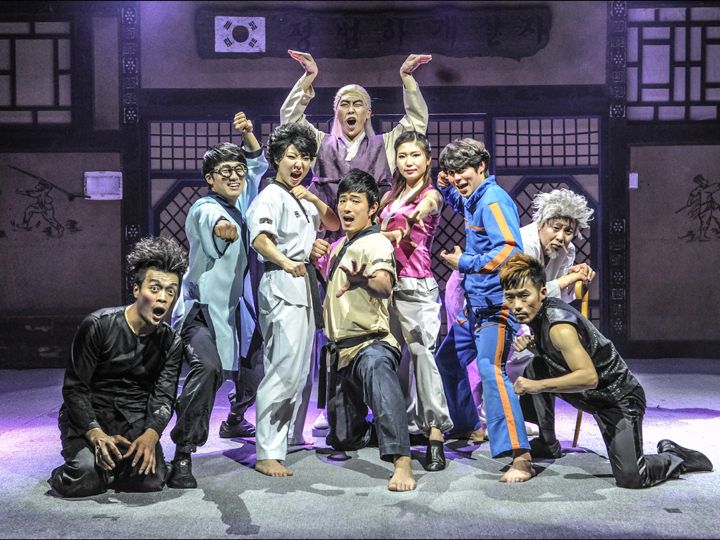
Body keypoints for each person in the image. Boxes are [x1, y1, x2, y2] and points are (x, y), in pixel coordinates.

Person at [500, 252, 714, 488]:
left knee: (633, 477)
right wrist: (536, 349)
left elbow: (589, 377)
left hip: (617, 398)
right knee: (535, 367)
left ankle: (675, 455)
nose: (517, 305)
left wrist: (537, 386)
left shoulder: (559, 327)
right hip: (587, 395)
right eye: (510, 297)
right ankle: (547, 443)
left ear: (542, 292)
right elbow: (561, 360)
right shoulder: (537, 316)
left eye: (524, 296)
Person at [440, 188, 597, 454]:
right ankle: (476, 423)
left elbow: (548, 296)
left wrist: (574, 279)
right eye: (555, 228)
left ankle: (487, 424)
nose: (561, 237)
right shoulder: (524, 243)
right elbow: (525, 291)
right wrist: (566, 280)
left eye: (568, 231)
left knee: (505, 357)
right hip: (473, 292)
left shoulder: (565, 251)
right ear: (541, 223)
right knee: (475, 359)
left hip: (509, 303)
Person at [167, 114, 269, 489]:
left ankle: (235, 419)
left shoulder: (243, 199)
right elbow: (210, 219)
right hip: (203, 312)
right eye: (225, 171)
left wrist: (248, 135)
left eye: (237, 170)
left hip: (238, 311)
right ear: (210, 178)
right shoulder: (204, 208)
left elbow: (256, 164)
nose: (235, 176)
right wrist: (221, 227)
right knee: (208, 370)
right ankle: (183, 453)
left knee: (255, 374)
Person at [49, 236, 188, 497]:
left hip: (134, 419)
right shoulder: (98, 325)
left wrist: (151, 435)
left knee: (150, 480)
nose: (163, 298)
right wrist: (96, 434)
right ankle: (75, 470)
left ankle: (114, 469)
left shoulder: (171, 342)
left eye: (171, 291)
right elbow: (75, 389)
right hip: (89, 417)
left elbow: (164, 397)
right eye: (155, 288)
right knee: (85, 478)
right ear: (136, 290)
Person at [312, 168, 416, 492]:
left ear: (372, 208)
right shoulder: (338, 246)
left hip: (371, 343)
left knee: (379, 375)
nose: (346, 207)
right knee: (343, 438)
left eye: (355, 201)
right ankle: (381, 430)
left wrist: (365, 281)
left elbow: (384, 285)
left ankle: (402, 461)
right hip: (340, 351)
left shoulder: (377, 242)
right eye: (342, 200)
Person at [435, 138, 533, 483]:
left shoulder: (492, 200)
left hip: (495, 306)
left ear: (481, 167)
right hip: (475, 305)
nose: (457, 177)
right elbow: (460, 200)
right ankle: (468, 426)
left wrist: (464, 262)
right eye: (451, 171)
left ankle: (521, 457)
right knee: (447, 360)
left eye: (462, 170)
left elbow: (510, 251)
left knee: (493, 372)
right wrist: (444, 187)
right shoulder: (474, 197)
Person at [247, 122, 340, 477]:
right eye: (291, 156)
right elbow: (260, 238)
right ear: (276, 159)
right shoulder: (270, 195)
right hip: (282, 283)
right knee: (283, 368)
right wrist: (286, 260)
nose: (299, 163)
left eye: (305, 157)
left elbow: (331, 223)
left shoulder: (298, 196)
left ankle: (290, 436)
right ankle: (267, 451)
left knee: (301, 371)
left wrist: (313, 199)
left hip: (303, 286)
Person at [280, 50, 431, 244]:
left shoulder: (384, 145)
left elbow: (416, 124)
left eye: (358, 104)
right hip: (326, 242)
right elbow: (290, 122)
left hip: (373, 241)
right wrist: (308, 77)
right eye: (344, 104)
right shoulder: (320, 144)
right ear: (336, 112)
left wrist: (407, 77)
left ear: (368, 113)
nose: (351, 109)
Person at [377, 131, 453, 471]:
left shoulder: (428, 194)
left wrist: (416, 214)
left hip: (416, 286)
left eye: (415, 155)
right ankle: (398, 430)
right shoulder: (390, 196)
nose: (408, 162)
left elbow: (430, 205)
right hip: (385, 286)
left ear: (427, 159)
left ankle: (435, 435)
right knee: (390, 359)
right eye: (402, 155)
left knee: (423, 355)